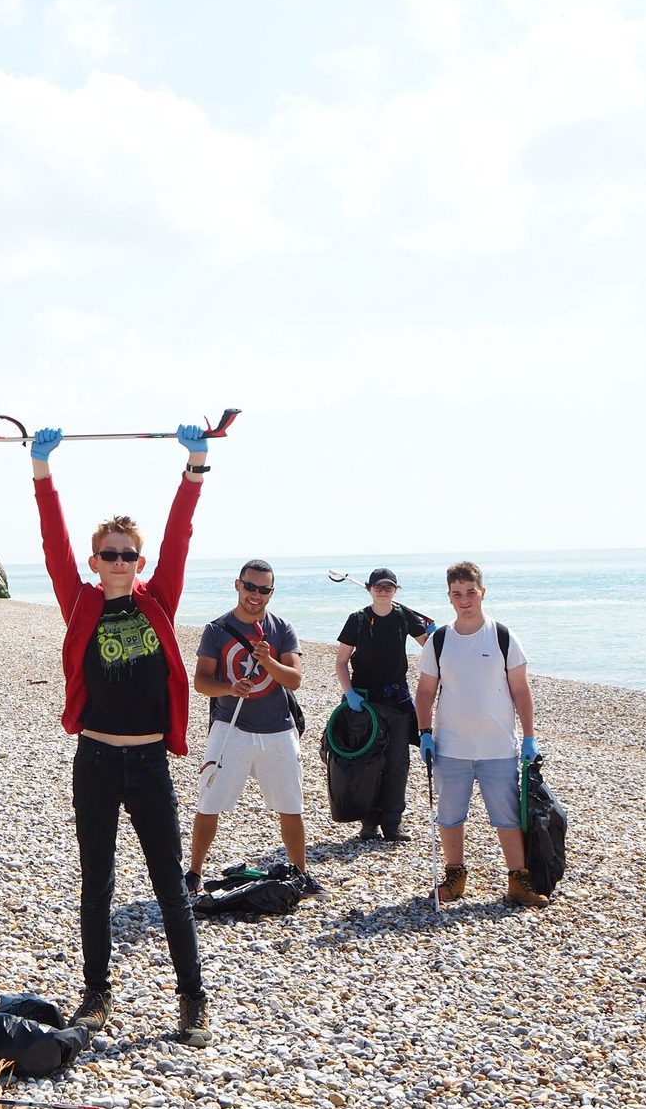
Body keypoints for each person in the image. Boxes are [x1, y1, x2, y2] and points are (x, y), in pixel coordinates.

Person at [31, 422, 214, 1048]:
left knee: (169, 881)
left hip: (150, 764)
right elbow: (52, 542)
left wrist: (194, 465)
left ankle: (192, 1000)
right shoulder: (79, 602)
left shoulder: (158, 598)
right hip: (97, 761)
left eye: (126, 554)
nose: (116, 562)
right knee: (97, 880)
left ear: (140, 561)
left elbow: (181, 536)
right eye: (107, 553)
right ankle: (97, 994)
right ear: (93, 561)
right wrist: (42, 473)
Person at [413, 562, 548, 908]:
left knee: (506, 817)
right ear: (449, 597)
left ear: (482, 593)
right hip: (451, 747)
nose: (465, 600)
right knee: (449, 815)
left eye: (470, 592)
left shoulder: (503, 636)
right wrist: (424, 732)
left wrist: (529, 737)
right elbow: (426, 690)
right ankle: (454, 878)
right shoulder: (439, 640)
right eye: (457, 594)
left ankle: (519, 881)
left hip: (498, 747)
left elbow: (521, 690)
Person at [189, 561, 324, 896]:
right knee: (209, 800)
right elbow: (202, 682)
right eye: (250, 587)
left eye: (264, 589)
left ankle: (300, 874)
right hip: (230, 727)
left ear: (272, 592)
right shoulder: (217, 629)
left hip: (277, 728)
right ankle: (193, 872)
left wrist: (269, 661)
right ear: (238, 585)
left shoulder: (282, 629)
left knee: (291, 805)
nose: (256, 595)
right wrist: (229, 688)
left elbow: (294, 679)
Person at [333, 567, 437, 842]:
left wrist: (437, 635)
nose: (383, 591)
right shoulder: (357, 619)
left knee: (397, 764)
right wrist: (350, 693)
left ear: (395, 590)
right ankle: (368, 825)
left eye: (389, 587)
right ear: (369, 589)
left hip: (398, 701)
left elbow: (431, 648)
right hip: (365, 704)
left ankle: (393, 825)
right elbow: (341, 661)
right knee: (368, 763)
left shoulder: (405, 618)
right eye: (379, 587)